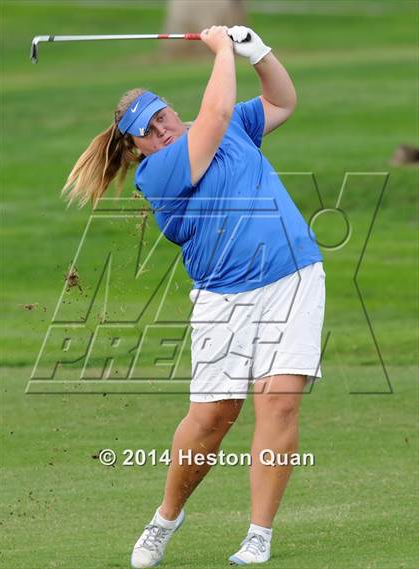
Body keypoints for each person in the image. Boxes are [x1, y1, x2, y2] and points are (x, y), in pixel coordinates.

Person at [63, 25, 326, 568]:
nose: (164, 130)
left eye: (164, 117)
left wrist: (260, 53)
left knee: (278, 400)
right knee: (214, 416)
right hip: (225, 297)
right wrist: (221, 50)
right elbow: (217, 114)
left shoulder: (221, 128)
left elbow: (282, 101)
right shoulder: (160, 173)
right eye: (151, 131)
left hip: (293, 275)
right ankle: (166, 517)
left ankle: (258, 535)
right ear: (136, 149)